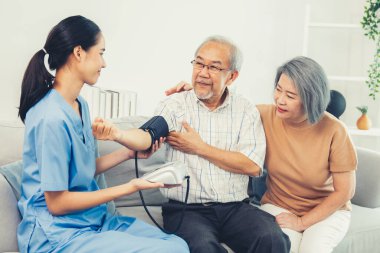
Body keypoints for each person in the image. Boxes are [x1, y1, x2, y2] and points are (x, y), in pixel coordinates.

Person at [17, 15, 189, 253]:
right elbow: (56, 203)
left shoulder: (80, 105)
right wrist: (132, 186)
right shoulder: (50, 118)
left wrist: (128, 154)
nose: (104, 63)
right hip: (59, 234)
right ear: (79, 53)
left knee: (177, 244)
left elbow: (81, 170)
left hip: (92, 221)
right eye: (101, 53)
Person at [167, 56, 357, 253]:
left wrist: (302, 222)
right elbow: (226, 107)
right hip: (279, 205)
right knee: (280, 244)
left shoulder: (335, 130)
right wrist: (199, 92)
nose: (280, 100)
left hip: (327, 212)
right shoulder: (263, 115)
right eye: (278, 89)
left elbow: (344, 192)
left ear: (312, 98)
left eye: (290, 96)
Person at [155, 36, 290, 253]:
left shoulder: (245, 110)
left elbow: (252, 165)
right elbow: (145, 136)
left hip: (235, 208)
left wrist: (199, 147)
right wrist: (118, 134)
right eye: (199, 63)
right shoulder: (174, 104)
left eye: (214, 67)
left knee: (273, 239)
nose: (203, 72)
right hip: (186, 210)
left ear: (232, 76)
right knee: (203, 248)